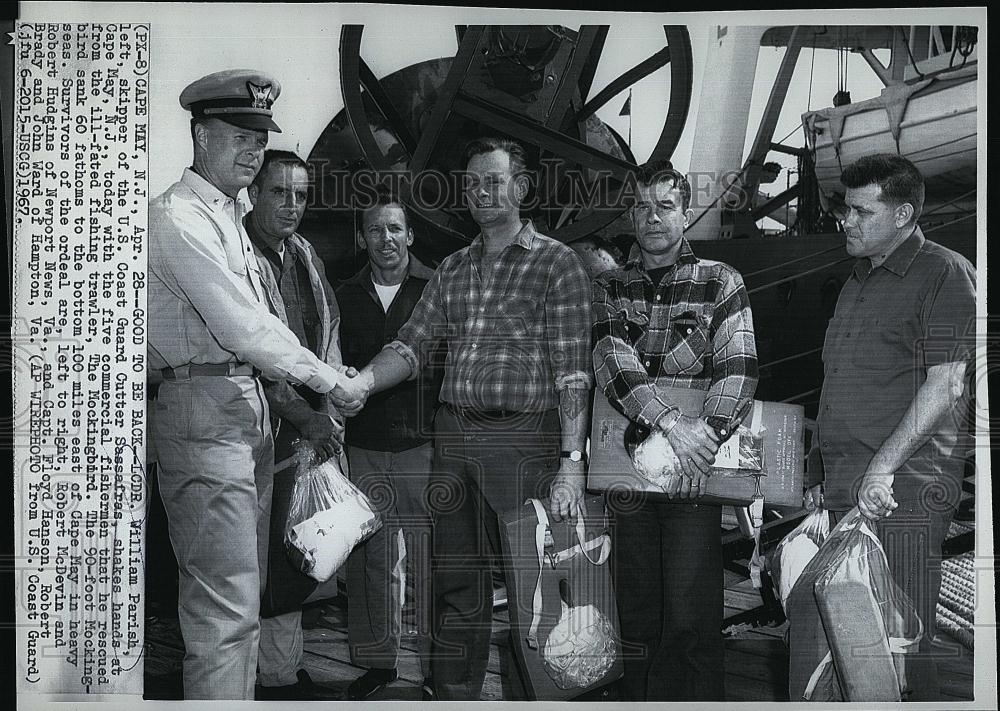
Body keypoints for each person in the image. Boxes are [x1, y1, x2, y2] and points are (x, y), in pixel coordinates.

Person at [334, 137, 593, 700]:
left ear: (521, 188)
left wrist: (572, 463)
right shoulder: (452, 268)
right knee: (455, 583)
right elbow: (410, 346)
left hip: (528, 439)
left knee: (538, 580)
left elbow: (574, 372)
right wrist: (360, 383)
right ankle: (453, 696)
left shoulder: (557, 263)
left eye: (493, 181)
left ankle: (546, 696)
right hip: (453, 438)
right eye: (472, 183)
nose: (480, 192)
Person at [148, 70, 362, 700]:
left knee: (241, 611)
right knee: (223, 617)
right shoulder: (177, 218)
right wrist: (329, 378)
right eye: (238, 134)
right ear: (198, 133)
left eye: (260, 138)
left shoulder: (226, 215)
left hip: (242, 413)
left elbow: (263, 318)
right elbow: (243, 325)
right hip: (204, 409)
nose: (252, 149)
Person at [806, 153, 976, 701]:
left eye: (860, 211)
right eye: (845, 210)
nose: (846, 222)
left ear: (903, 213)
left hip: (901, 489)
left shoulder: (945, 273)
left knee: (901, 638)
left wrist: (880, 469)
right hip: (847, 485)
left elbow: (946, 385)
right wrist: (817, 471)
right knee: (849, 638)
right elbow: (836, 381)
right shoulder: (856, 280)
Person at [591, 159, 758, 701]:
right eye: (641, 206)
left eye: (665, 205)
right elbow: (612, 362)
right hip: (629, 475)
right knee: (636, 610)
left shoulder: (720, 281)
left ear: (686, 213)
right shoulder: (610, 287)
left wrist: (698, 448)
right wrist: (672, 427)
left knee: (691, 615)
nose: (652, 217)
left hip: (695, 476)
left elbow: (737, 369)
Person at [243, 149, 344, 700]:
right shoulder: (238, 253)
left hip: (306, 427)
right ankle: (256, 678)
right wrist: (310, 418)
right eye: (280, 192)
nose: (292, 205)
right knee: (252, 557)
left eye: (301, 194)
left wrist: (324, 415)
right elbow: (258, 354)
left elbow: (326, 337)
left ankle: (282, 673)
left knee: (293, 549)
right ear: (253, 193)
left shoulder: (304, 254)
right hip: (262, 422)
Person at [337, 189, 441, 700]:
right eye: (375, 230)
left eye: (395, 228)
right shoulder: (343, 293)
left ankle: (431, 665)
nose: (386, 239)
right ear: (362, 238)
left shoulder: (434, 289)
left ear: (411, 235)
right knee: (372, 557)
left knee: (427, 557)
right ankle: (377, 663)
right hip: (364, 445)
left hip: (423, 444)